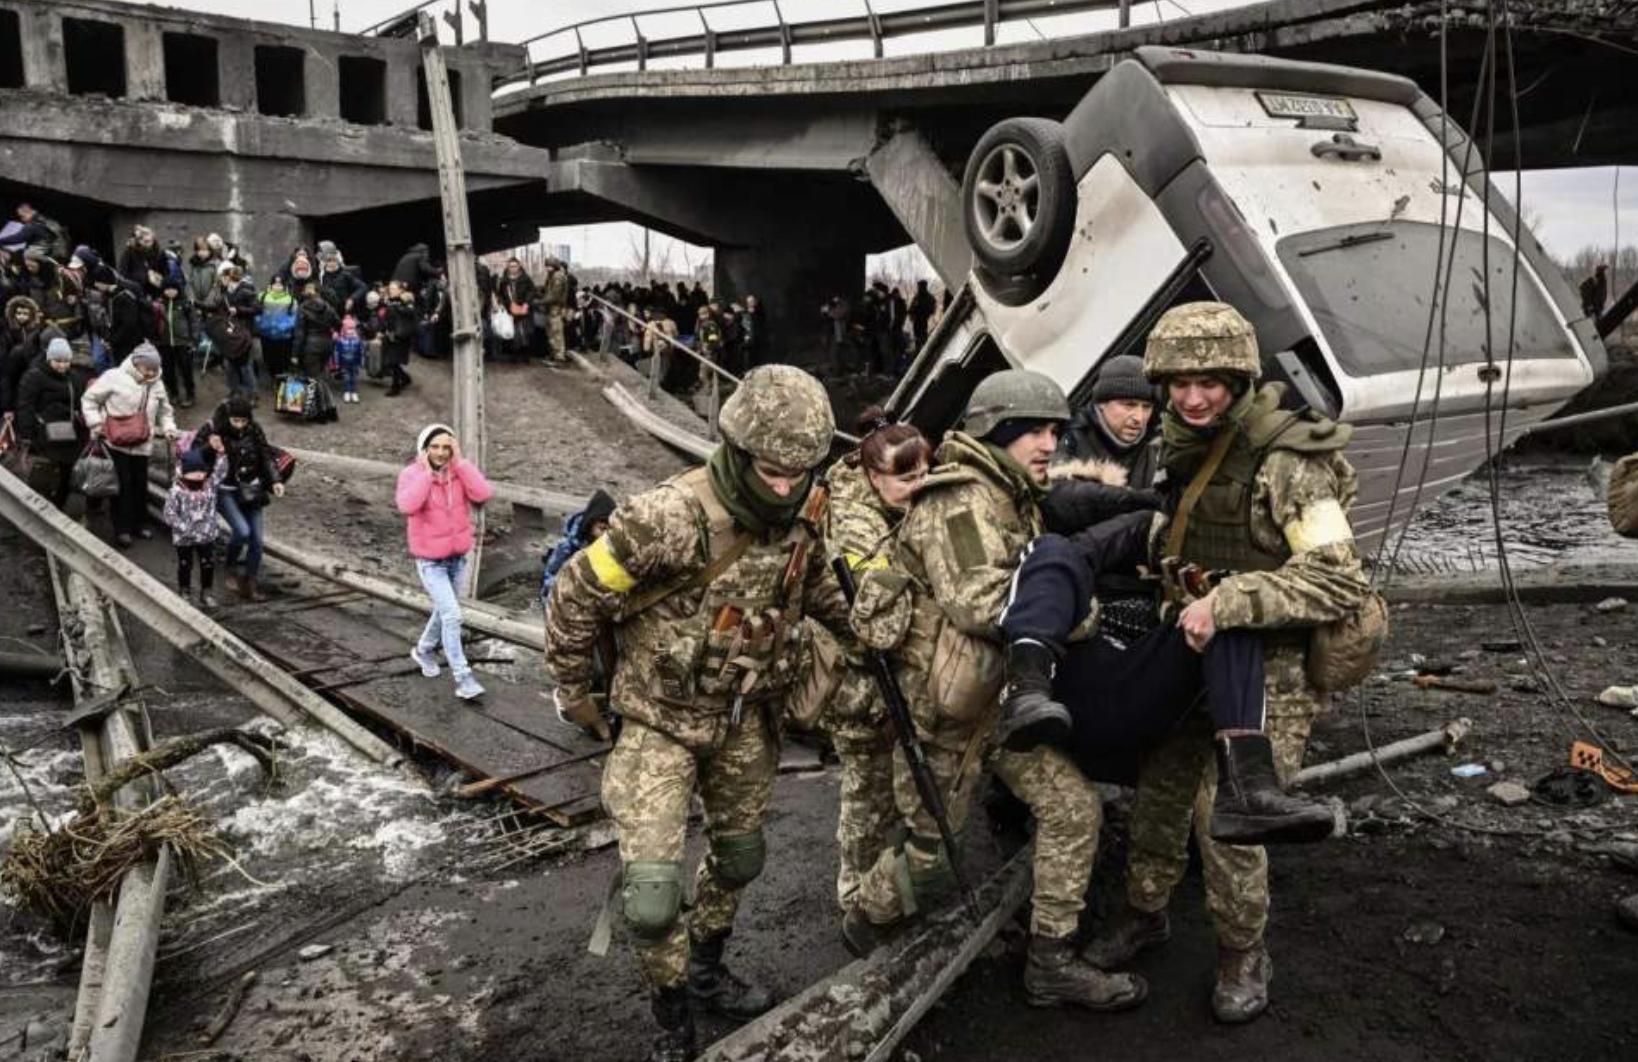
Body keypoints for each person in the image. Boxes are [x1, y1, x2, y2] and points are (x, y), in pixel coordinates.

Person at [545, 365, 850, 1062]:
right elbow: (576, 594)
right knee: (651, 898)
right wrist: (574, 690)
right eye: (773, 471)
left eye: (799, 472)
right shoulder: (668, 518)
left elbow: (820, 586)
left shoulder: (807, 505)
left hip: (746, 716)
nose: (785, 485)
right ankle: (672, 1013)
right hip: (659, 720)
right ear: (739, 451)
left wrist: (865, 628)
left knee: (741, 857)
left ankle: (708, 968)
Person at [1079, 301, 1371, 1023]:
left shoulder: (1290, 461)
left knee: (1227, 814)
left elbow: (1339, 579)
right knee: (1160, 788)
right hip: (1193, 644)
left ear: (1239, 378)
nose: (1192, 396)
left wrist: (1232, 600)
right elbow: (1181, 530)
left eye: (1209, 381)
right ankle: (1146, 912)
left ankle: (1244, 949)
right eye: (1177, 383)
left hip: (1272, 664)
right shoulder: (1182, 444)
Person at [844, 370, 1146, 1011]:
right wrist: (1082, 610)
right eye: (1034, 430)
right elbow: (981, 604)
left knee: (1072, 811)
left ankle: (1051, 961)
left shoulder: (1011, 495)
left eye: (1056, 431)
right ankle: (866, 920)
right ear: (996, 430)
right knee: (927, 859)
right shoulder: (961, 501)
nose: (1048, 443)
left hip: (998, 704)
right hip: (947, 716)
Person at [819, 407, 932, 920]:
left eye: (924, 472)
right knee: (867, 792)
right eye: (904, 477)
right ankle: (855, 893)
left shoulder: (903, 505)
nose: (919, 485)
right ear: (871, 476)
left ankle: (891, 885)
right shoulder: (852, 523)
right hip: (858, 679)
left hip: (897, 673)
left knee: (900, 786)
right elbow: (881, 621)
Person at [396, 424, 493, 701]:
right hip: (430, 561)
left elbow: (483, 494)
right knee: (453, 615)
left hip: (458, 558)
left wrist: (461, 463)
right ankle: (463, 678)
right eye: (435, 447)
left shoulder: (458, 472)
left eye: (446, 447)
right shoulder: (411, 474)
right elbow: (407, 506)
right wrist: (427, 474)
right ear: (424, 449)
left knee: (443, 611)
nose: (440, 452)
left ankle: (424, 650)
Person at [81, 342, 178, 547]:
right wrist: (96, 423)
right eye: (147, 368)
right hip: (116, 442)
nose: (150, 372)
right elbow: (89, 400)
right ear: (136, 363)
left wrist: (169, 427)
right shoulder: (113, 377)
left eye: (154, 369)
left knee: (139, 485)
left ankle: (139, 524)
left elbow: (165, 410)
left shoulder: (156, 383)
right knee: (122, 486)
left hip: (143, 444)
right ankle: (121, 529)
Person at [193, 396, 284, 600]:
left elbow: (265, 455)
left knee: (257, 540)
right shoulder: (212, 430)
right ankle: (231, 567)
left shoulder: (254, 430)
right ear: (228, 418)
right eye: (236, 420)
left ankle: (250, 581)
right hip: (224, 488)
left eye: (244, 421)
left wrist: (275, 480)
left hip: (252, 488)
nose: (240, 425)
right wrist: (210, 447)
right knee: (242, 531)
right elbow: (194, 456)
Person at [1055, 354, 1158, 485]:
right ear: (1102, 403)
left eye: (1147, 407)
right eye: (1129, 405)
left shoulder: (1152, 452)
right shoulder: (1067, 442)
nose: (1139, 417)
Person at [14, 337, 89, 509]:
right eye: (58, 361)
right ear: (49, 359)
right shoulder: (34, 376)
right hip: (44, 434)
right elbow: (25, 406)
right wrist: (27, 435)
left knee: (66, 472)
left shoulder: (75, 378)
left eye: (66, 361)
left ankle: (58, 505)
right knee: (45, 471)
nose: (62, 366)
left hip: (70, 433)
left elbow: (80, 404)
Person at [163, 448, 228, 607]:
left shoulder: (209, 485)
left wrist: (222, 454)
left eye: (201, 470)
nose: (199, 474)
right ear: (185, 472)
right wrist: (183, 527)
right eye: (194, 471)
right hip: (184, 537)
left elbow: (220, 472)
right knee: (185, 564)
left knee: (208, 563)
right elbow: (169, 514)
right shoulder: (177, 491)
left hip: (206, 534)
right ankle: (184, 590)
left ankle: (206, 592)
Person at [539, 488, 617, 612]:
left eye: (610, 530)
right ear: (589, 526)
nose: (605, 535)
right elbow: (548, 587)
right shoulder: (566, 549)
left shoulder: (611, 546)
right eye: (602, 529)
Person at [154, 278, 198, 409]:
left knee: (186, 370)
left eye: (173, 289)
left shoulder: (185, 304)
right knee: (168, 370)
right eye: (167, 289)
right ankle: (173, 394)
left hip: (183, 342)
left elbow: (194, 322)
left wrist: (194, 340)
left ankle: (190, 395)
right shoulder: (159, 304)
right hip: (165, 343)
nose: (170, 292)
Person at [255, 275, 298, 382]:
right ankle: (272, 376)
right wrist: (261, 324)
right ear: (271, 285)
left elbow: (295, 316)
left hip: (284, 336)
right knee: (268, 357)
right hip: (266, 334)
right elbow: (256, 311)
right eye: (275, 284)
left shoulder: (291, 300)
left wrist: (284, 326)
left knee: (282, 359)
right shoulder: (262, 297)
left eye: (280, 284)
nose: (277, 287)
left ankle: (280, 379)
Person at [494, 258, 535, 362]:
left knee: (525, 332)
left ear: (519, 266)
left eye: (515, 266)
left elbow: (531, 291)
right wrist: (501, 304)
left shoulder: (525, 278)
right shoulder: (504, 280)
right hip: (510, 309)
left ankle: (526, 355)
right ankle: (514, 356)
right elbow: (500, 294)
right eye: (511, 266)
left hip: (523, 308)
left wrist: (526, 303)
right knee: (512, 332)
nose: (513, 268)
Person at [382, 280, 417, 396]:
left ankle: (395, 386)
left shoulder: (406, 301)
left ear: (401, 290)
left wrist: (397, 307)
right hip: (391, 335)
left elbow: (410, 315)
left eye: (393, 289)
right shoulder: (390, 302)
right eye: (390, 289)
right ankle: (404, 378)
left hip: (401, 336)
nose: (391, 291)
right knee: (392, 362)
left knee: (393, 361)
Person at [541, 260, 570, 364]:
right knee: (551, 333)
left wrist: (540, 301)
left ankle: (559, 357)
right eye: (547, 266)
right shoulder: (551, 276)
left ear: (554, 266)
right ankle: (554, 355)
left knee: (556, 332)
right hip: (551, 308)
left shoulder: (557, 276)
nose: (547, 268)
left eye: (549, 266)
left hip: (555, 308)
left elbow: (555, 295)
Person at [333, 315, 365, 404]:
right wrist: (337, 363)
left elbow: (361, 352)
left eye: (352, 329)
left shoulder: (358, 340)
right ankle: (347, 391)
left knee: (354, 377)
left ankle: (354, 392)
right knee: (346, 377)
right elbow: (337, 352)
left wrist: (362, 362)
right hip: (344, 362)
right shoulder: (340, 341)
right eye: (348, 329)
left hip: (354, 362)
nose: (350, 331)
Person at [908, 280, 936, 352]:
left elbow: (932, 308)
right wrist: (912, 315)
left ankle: (924, 351)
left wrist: (925, 313)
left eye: (920, 286)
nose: (919, 288)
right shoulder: (917, 297)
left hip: (923, 320)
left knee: (922, 338)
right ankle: (919, 351)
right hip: (917, 320)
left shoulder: (927, 297)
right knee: (918, 338)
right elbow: (911, 309)